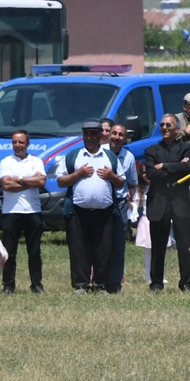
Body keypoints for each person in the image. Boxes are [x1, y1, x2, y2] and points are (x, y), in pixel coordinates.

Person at [56, 119, 126, 293]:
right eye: (86, 133)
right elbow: (61, 181)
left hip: (104, 212)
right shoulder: (73, 156)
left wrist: (111, 176)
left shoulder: (110, 157)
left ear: (100, 135)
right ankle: (80, 285)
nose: (89, 137)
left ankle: (101, 285)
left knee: (103, 250)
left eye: (93, 133)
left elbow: (121, 182)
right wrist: (78, 174)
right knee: (79, 249)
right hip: (78, 212)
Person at [144, 114, 190, 293]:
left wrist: (163, 166)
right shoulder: (151, 150)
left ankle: (186, 283)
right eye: (162, 125)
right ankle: (156, 283)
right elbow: (151, 174)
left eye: (168, 125)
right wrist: (176, 167)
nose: (164, 128)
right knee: (158, 247)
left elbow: (188, 168)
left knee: (184, 246)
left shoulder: (186, 148)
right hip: (159, 203)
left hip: (180, 203)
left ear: (177, 129)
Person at [0, 129, 45, 294]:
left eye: (21, 142)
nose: (17, 145)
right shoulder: (6, 162)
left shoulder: (36, 161)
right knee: (9, 252)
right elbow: (6, 185)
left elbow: (42, 182)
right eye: (15, 142)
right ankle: (8, 285)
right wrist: (31, 181)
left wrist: (19, 179)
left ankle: (36, 284)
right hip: (11, 211)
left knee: (34, 251)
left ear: (27, 144)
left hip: (32, 211)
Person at [104, 120, 140, 294]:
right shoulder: (100, 153)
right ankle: (99, 280)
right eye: (114, 133)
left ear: (125, 139)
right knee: (101, 243)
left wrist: (128, 195)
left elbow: (133, 182)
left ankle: (115, 283)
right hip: (101, 203)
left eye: (121, 135)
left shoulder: (129, 157)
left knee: (118, 244)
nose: (116, 137)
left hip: (119, 203)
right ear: (108, 135)